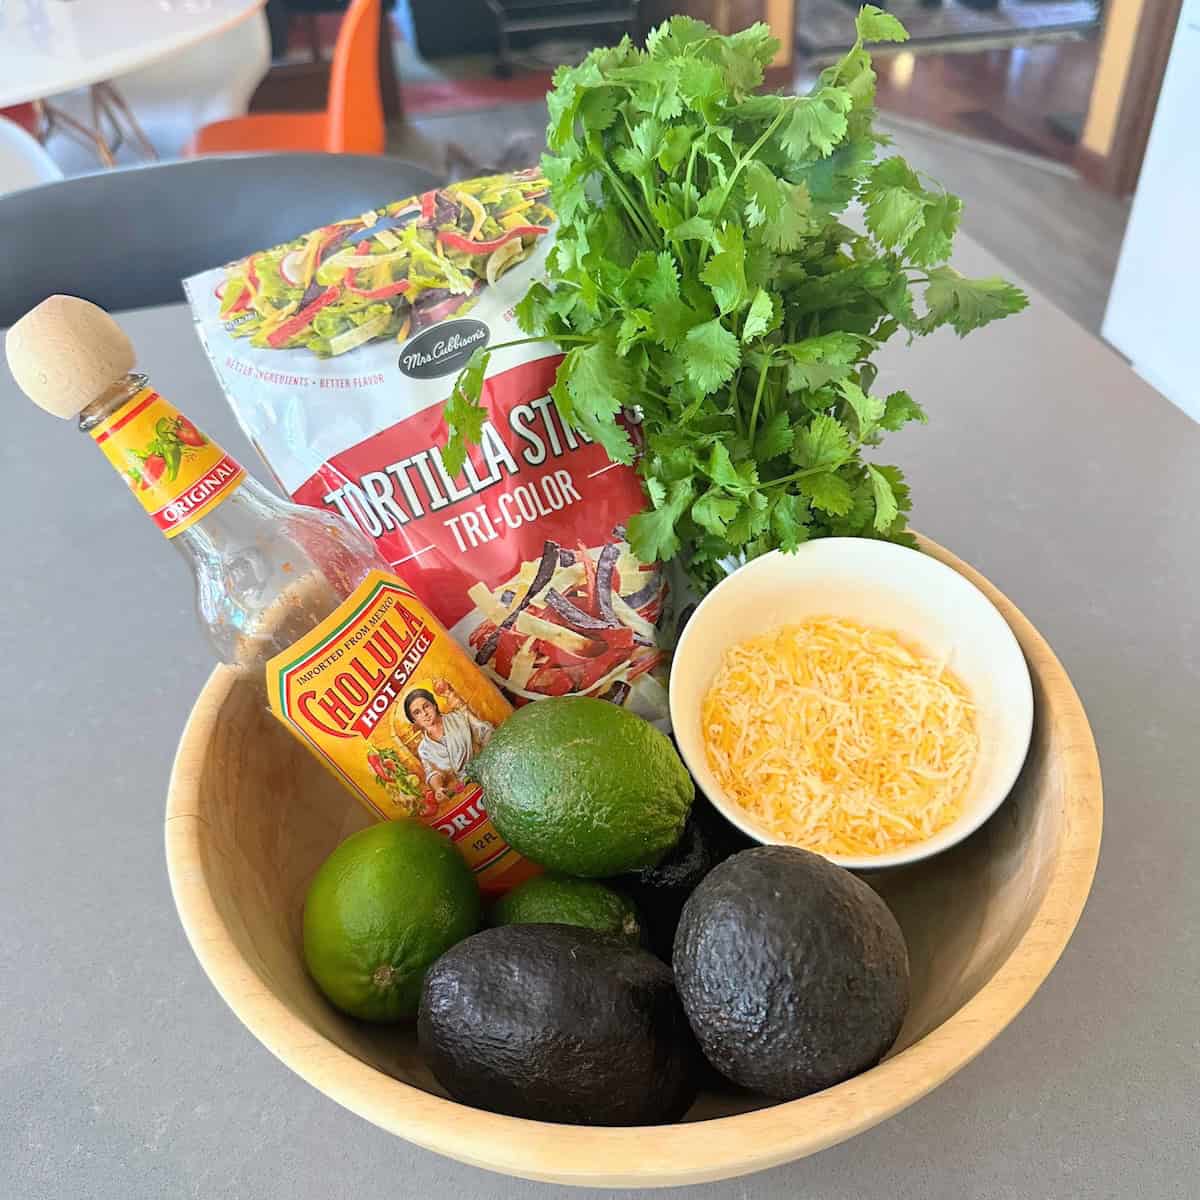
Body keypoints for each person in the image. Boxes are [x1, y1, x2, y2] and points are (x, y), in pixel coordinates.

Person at [404, 688, 495, 806]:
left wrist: (489, 756)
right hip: (468, 791)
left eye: (426, 706)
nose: (424, 714)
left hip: (489, 770)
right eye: (417, 712)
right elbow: (432, 772)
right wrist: (438, 789)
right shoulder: (424, 748)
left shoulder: (459, 717)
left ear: (434, 705)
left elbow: (484, 731)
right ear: (414, 720)